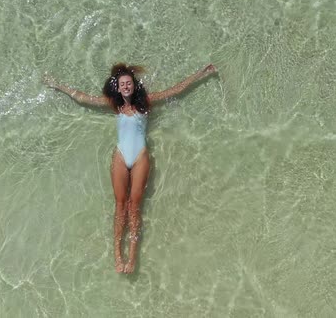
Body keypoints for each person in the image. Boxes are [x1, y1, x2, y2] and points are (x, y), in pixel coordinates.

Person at [44, 63, 217, 273]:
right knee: (120, 205)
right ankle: (117, 254)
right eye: (123, 84)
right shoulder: (115, 106)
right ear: (118, 88)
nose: (126, 86)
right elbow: (82, 97)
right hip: (120, 155)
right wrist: (57, 85)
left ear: (134, 86)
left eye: (129, 83)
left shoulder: (145, 103)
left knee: (134, 206)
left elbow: (175, 90)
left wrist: (201, 74)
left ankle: (132, 256)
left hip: (140, 157)